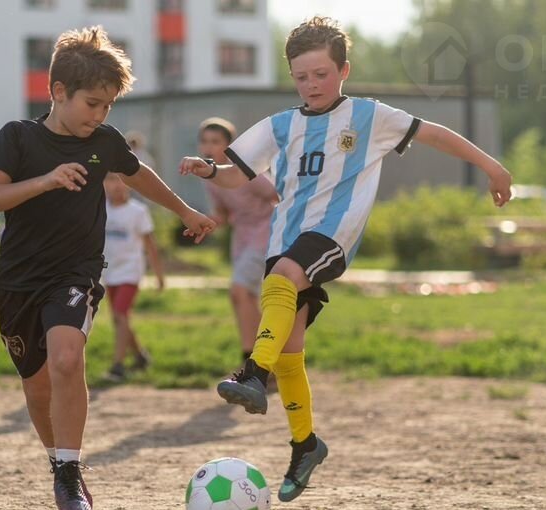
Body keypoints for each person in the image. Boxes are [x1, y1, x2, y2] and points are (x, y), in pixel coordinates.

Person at [180, 17, 513, 503]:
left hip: (332, 237)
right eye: (301, 77)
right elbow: (238, 173)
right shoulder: (280, 125)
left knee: (282, 281)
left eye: (321, 74)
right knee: (290, 350)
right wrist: (210, 168)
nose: (311, 84)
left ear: (344, 71)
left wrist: (492, 166)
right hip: (285, 239)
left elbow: (435, 134)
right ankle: (305, 445)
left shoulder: (369, 117)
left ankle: (253, 372)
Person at [0, 26, 214, 510]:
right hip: (17, 281)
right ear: (59, 91)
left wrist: (185, 211)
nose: (100, 115)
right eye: (92, 103)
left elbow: (138, 174)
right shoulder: (17, 138)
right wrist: (45, 181)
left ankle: (68, 472)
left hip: (75, 273)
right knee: (37, 385)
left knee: (67, 358)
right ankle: (59, 464)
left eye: (108, 106)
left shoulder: (104, 141)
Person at [198, 117, 279, 363]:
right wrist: (199, 222)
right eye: (204, 141)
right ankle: (263, 360)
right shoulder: (210, 176)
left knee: (239, 291)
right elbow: (222, 214)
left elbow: (278, 195)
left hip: (265, 232)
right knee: (246, 296)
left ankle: (251, 360)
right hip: (242, 237)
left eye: (215, 141)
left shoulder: (245, 170)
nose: (208, 147)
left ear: (230, 146)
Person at [100, 172, 164, 382]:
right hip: (109, 272)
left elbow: (150, 245)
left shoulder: (138, 211)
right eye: (110, 179)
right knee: (119, 318)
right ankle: (140, 357)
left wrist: (159, 275)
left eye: (120, 179)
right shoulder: (100, 208)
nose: (116, 185)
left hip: (130, 272)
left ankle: (117, 366)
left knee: (120, 315)